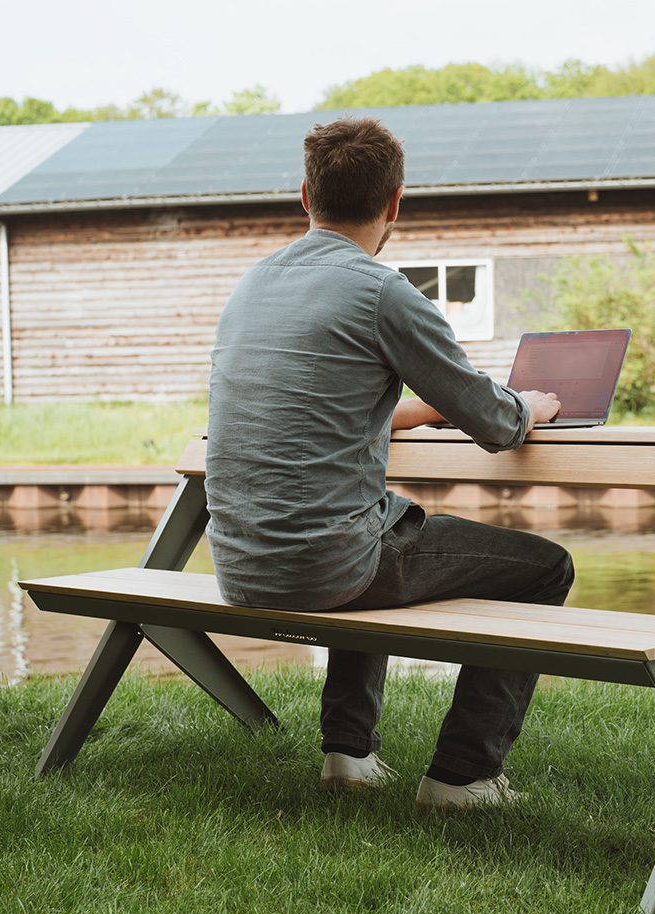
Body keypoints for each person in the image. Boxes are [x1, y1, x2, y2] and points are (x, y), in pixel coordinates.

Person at [205, 116, 574, 809]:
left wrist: (425, 409)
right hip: (324, 567)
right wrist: (532, 406)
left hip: (240, 565)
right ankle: (463, 776)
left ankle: (349, 754)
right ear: (395, 203)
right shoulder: (382, 291)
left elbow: (318, 404)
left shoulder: (253, 284)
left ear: (305, 194)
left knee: (379, 516)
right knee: (544, 567)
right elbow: (496, 424)